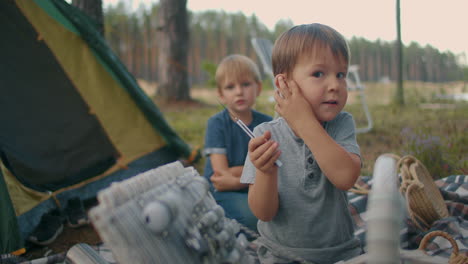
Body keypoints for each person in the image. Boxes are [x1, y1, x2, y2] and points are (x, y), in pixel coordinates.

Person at [240, 23, 362, 264]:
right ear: (284, 84)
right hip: (280, 255)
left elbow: (346, 177)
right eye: (319, 74)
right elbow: (263, 212)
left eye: (341, 74)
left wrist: (304, 121)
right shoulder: (264, 134)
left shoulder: (341, 124)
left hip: (339, 254)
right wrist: (265, 171)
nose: (335, 85)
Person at [203, 54, 272, 232]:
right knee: (253, 216)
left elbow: (276, 166)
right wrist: (257, 171)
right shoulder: (217, 124)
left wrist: (236, 176)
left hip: (251, 187)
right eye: (230, 87)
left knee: (282, 209)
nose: (239, 92)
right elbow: (221, 175)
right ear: (221, 94)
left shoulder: (267, 124)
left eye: (246, 84)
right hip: (223, 192)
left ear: (258, 87)